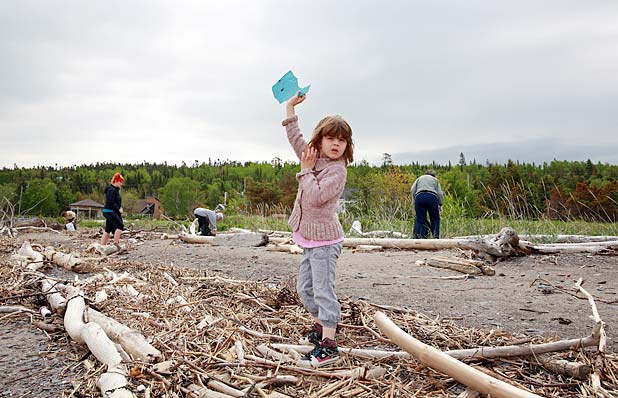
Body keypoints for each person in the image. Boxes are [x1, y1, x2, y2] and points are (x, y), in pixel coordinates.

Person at [282, 92, 354, 367]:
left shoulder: (338, 170)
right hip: (310, 239)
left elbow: (315, 196)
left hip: (326, 241)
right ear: (320, 140)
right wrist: (290, 107)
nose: (336, 144)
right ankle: (320, 327)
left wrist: (304, 170)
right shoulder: (313, 157)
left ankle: (329, 344)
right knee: (305, 288)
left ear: (347, 145)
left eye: (341, 140)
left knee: (323, 290)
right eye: (330, 138)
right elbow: (295, 137)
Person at [410, 169, 444, 239]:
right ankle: (436, 237)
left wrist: (415, 200)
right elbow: (440, 193)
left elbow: (412, 190)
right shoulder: (435, 180)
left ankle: (422, 239)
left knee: (420, 220)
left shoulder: (419, 178)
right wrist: (440, 204)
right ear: (434, 175)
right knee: (435, 219)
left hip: (419, 197)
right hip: (432, 197)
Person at [101, 173, 125, 247]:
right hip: (109, 211)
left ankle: (102, 246)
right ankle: (116, 244)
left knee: (108, 229)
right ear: (116, 181)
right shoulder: (111, 190)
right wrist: (118, 209)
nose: (121, 184)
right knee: (120, 225)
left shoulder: (115, 190)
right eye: (120, 182)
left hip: (111, 211)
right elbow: (110, 202)